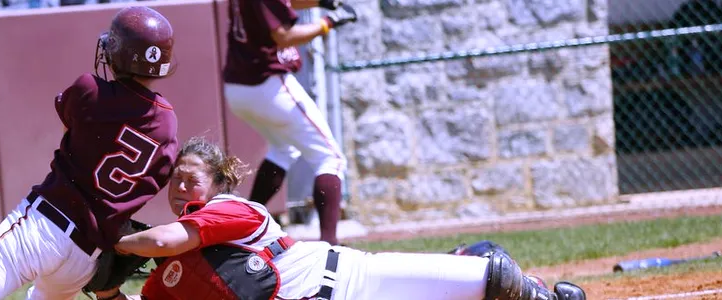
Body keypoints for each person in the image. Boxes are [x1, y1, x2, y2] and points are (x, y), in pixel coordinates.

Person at [113, 137, 588, 300]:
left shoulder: (232, 209)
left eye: (190, 179)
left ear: (217, 184)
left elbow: (161, 242)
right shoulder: (165, 279)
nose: (179, 188)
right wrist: (107, 288)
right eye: (174, 180)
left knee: (497, 273)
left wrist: (112, 240)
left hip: (353, 277)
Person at [0, 5, 179, 300]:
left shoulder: (90, 90)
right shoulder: (168, 125)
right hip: (86, 259)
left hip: (45, 225)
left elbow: (70, 122)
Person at [222, 0, 359, 245]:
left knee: (283, 149)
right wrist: (328, 22)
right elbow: (284, 36)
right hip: (266, 83)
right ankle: (330, 246)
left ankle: (246, 232)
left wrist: (319, 2)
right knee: (331, 158)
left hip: (238, 87)